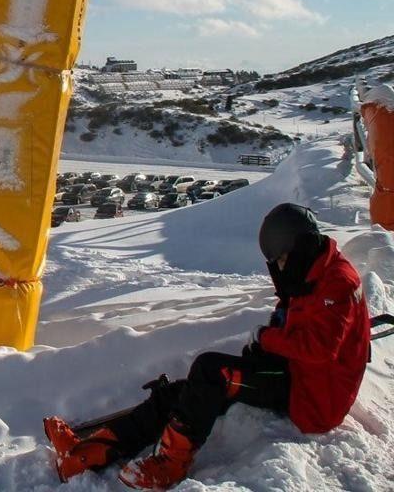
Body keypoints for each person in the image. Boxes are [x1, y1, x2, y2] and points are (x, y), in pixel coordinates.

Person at [44, 203, 370, 489]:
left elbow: (320, 349)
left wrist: (266, 338)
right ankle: (91, 452)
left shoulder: (337, 282)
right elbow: (306, 327)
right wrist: (270, 340)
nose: (281, 268)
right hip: (300, 375)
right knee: (188, 392)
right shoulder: (315, 271)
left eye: (283, 259)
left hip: (311, 399)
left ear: (297, 247)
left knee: (210, 369)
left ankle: (171, 464)